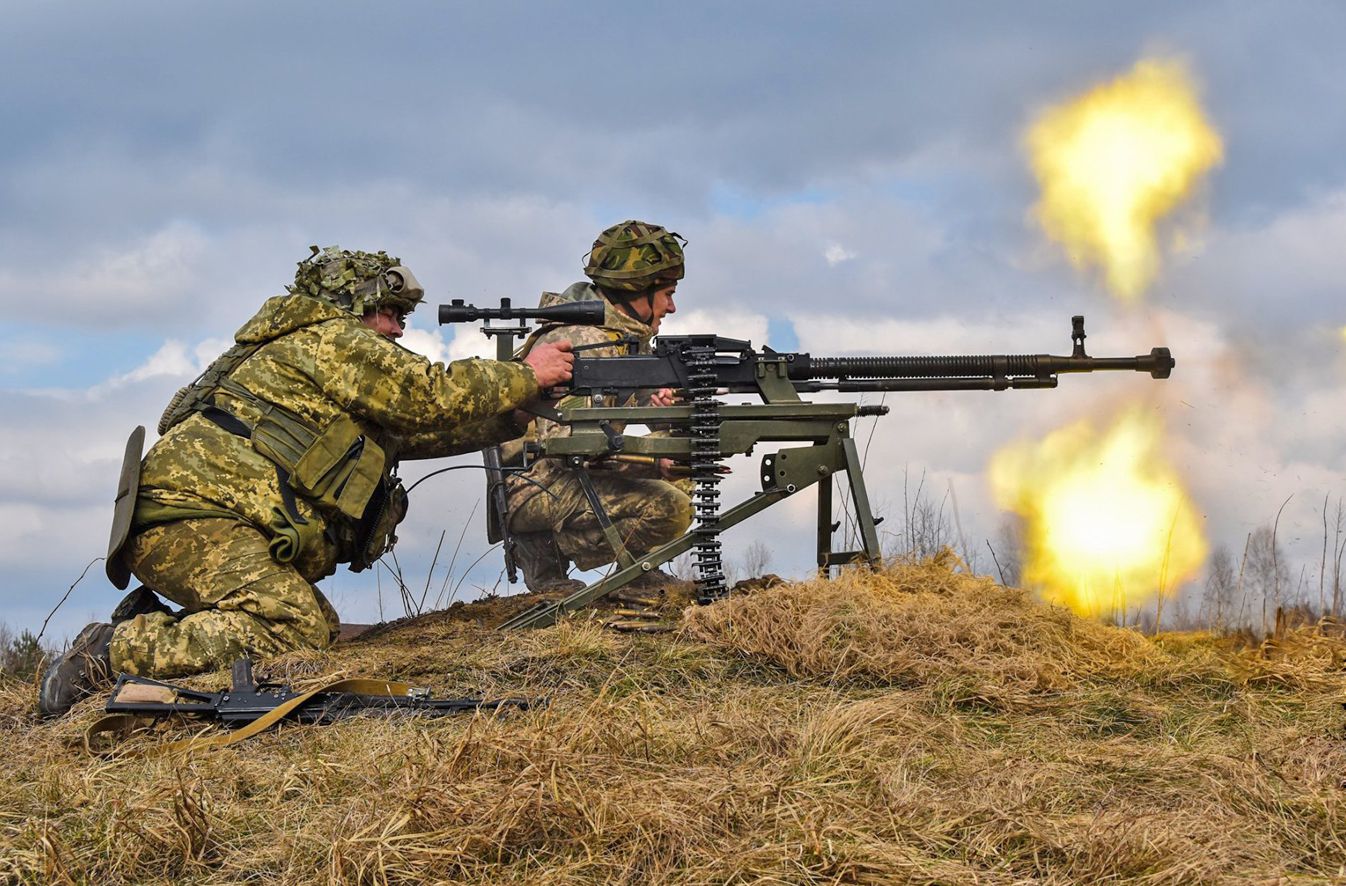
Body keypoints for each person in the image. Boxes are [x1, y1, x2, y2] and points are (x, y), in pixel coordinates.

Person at [39, 246, 574, 716]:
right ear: (351, 306)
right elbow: (427, 394)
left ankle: (155, 626)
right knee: (291, 627)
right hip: (192, 518)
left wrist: (517, 411)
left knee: (315, 623)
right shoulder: (327, 340)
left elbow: (420, 431)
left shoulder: (323, 359)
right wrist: (528, 372)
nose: (397, 328)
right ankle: (109, 653)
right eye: (388, 313)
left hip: (202, 522)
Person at [504, 220, 693, 593]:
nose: (672, 306)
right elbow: (565, 446)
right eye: (668, 293)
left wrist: (670, 413)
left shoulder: (619, 338)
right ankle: (545, 553)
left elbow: (643, 415)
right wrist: (654, 461)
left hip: (564, 476)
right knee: (670, 506)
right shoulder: (582, 342)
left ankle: (635, 567)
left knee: (684, 467)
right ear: (638, 290)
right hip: (534, 483)